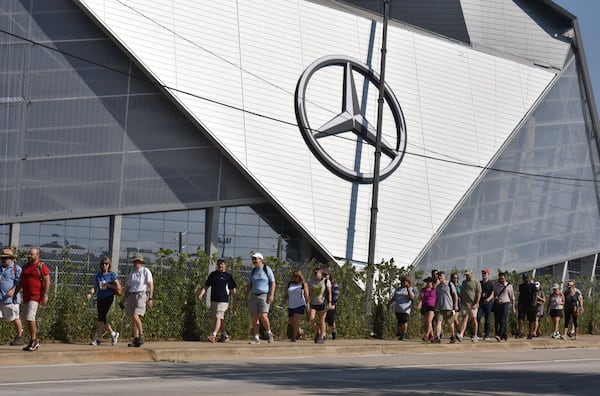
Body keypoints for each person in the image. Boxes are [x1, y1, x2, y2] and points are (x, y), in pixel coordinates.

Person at [15, 247, 50, 352]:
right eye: (29, 254)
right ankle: (32, 340)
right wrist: (15, 292)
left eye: (32, 254)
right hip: (26, 296)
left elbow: (47, 281)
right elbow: (21, 281)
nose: (29, 256)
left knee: (30, 317)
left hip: (35, 296)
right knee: (26, 319)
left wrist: (45, 295)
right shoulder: (25, 267)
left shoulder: (41, 266)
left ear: (37, 255)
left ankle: (34, 340)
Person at [198, 258, 237, 343]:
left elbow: (233, 290)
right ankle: (224, 335)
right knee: (220, 318)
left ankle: (213, 335)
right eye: (219, 264)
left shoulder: (227, 276)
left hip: (223, 301)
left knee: (218, 317)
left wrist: (234, 300)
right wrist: (201, 294)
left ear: (225, 265)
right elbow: (206, 286)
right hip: (214, 300)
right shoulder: (213, 275)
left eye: (222, 264)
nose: (220, 265)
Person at [86, 257, 121, 346]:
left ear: (109, 265)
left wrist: (107, 285)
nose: (104, 265)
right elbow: (95, 286)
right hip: (100, 298)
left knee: (101, 317)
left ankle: (98, 339)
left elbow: (117, 287)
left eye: (106, 264)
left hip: (108, 297)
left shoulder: (112, 275)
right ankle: (113, 334)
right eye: (103, 264)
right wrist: (90, 293)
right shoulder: (99, 275)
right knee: (102, 318)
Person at [122, 254, 153, 347]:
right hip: (132, 295)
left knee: (136, 316)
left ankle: (141, 335)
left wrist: (150, 298)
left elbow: (151, 285)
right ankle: (135, 339)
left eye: (138, 262)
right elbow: (128, 287)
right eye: (135, 262)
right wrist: (123, 299)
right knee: (133, 318)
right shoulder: (132, 273)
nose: (136, 263)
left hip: (141, 294)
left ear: (141, 263)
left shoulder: (145, 271)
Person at [247, 252, 276, 344]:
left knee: (263, 316)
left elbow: (273, 282)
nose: (254, 261)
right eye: (253, 259)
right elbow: (250, 284)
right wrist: (245, 296)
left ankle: (269, 332)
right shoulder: (253, 271)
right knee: (255, 317)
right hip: (254, 295)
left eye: (256, 259)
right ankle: (256, 337)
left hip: (264, 295)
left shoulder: (267, 269)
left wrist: (271, 294)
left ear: (261, 259)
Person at [0, 248, 24, 346]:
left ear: (11, 259)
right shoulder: (0, 268)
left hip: (11, 299)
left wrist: (13, 290)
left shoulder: (16, 269)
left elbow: (19, 282)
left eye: (6, 258)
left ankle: (19, 337)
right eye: (3, 258)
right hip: (0, 298)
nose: (4, 260)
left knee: (15, 317)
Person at [431, 272, 459, 343]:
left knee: (450, 323)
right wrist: (435, 306)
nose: (439, 277)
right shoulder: (438, 286)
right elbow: (437, 297)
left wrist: (455, 305)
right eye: (438, 276)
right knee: (438, 321)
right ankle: (437, 337)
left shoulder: (449, 284)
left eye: (441, 276)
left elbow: (455, 295)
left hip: (448, 307)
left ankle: (453, 335)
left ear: (444, 276)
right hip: (440, 308)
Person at [282, 269, 309, 342]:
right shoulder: (290, 284)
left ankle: (294, 337)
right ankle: (300, 331)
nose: (295, 277)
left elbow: (307, 296)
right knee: (291, 322)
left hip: (300, 304)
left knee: (295, 320)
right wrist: (282, 302)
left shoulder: (303, 284)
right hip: (291, 304)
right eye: (293, 276)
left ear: (300, 276)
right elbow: (286, 295)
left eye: (296, 276)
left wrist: (307, 305)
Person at [308, 267, 332, 344]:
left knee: (322, 320)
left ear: (321, 274)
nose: (315, 274)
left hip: (322, 302)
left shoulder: (326, 281)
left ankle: (322, 336)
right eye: (314, 273)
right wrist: (308, 302)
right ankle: (317, 331)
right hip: (314, 303)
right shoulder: (313, 281)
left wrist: (330, 302)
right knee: (311, 319)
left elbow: (329, 292)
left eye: (317, 273)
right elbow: (310, 293)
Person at [456, 270, 481, 342]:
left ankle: (475, 335)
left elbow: (479, 293)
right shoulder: (464, 282)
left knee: (473, 319)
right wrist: (462, 302)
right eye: (466, 275)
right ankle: (461, 335)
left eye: (468, 274)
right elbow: (462, 293)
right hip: (465, 304)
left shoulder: (476, 282)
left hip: (473, 304)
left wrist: (476, 303)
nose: (467, 276)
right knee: (464, 318)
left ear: (471, 274)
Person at [388, 276, 415, 341]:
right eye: (403, 281)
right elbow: (394, 297)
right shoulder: (398, 289)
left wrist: (408, 288)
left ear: (408, 282)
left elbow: (411, 297)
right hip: (398, 309)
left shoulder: (411, 289)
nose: (404, 282)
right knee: (400, 323)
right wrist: (389, 303)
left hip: (405, 309)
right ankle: (402, 334)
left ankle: (403, 334)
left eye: (406, 281)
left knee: (404, 321)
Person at [493, 272, 515, 342]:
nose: (501, 280)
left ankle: (499, 334)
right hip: (498, 304)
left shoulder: (509, 286)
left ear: (505, 278)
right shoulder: (496, 285)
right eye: (500, 279)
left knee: (503, 319)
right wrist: (495, 297)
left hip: (505, 303)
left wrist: (513, 307)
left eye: (502, 278)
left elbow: (512, 297)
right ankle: (504, 335)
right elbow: (494, 294)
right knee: (499, 320)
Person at [517, 274, 536, 339]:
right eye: (524, 278)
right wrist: (519, 304)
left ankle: (530, 333)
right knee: (520, 318)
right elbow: (520, 295)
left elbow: (534, 295)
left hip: (530, 304)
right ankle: (521, 332)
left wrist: (534, 302)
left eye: (526, 278)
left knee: (531, 319)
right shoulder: (521, 286)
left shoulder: (532, 286)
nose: (525, 279)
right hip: (522, 303)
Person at [416, 277, 436, 341]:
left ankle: (426, 335)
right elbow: (420, 297)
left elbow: (437, 298)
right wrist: (420, 302)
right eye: (427, 282)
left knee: (429, 320)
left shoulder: (434, 290)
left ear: (432, 282)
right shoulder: (423, 289)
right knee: (427, 321)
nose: (428, 283)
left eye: (429, 282)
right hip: (425, 306)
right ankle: (432, 335)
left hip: (432, 306)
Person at [477, 269, 494, 341]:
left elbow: (492, 294)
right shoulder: (479, 283)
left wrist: (488, 299)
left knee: (487, 320)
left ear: (488, 274)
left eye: (485, 273)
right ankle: (476, 334)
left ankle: (486, 335)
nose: (483, 275)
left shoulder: (491, 283)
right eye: (482, 273)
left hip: (488, 303)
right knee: (477, 317)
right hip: (480, 303)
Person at [323, 269, 339, 340]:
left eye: (326, 275)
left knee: (330, 320)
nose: (325, 276)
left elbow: (336, 294)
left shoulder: (334, 284)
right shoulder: (322, 283)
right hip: (324, 303)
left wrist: (333, 304)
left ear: (329, 275)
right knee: (323, 319)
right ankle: (323, 334)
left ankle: (333, 331)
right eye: (324, 275)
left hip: (331, 303)